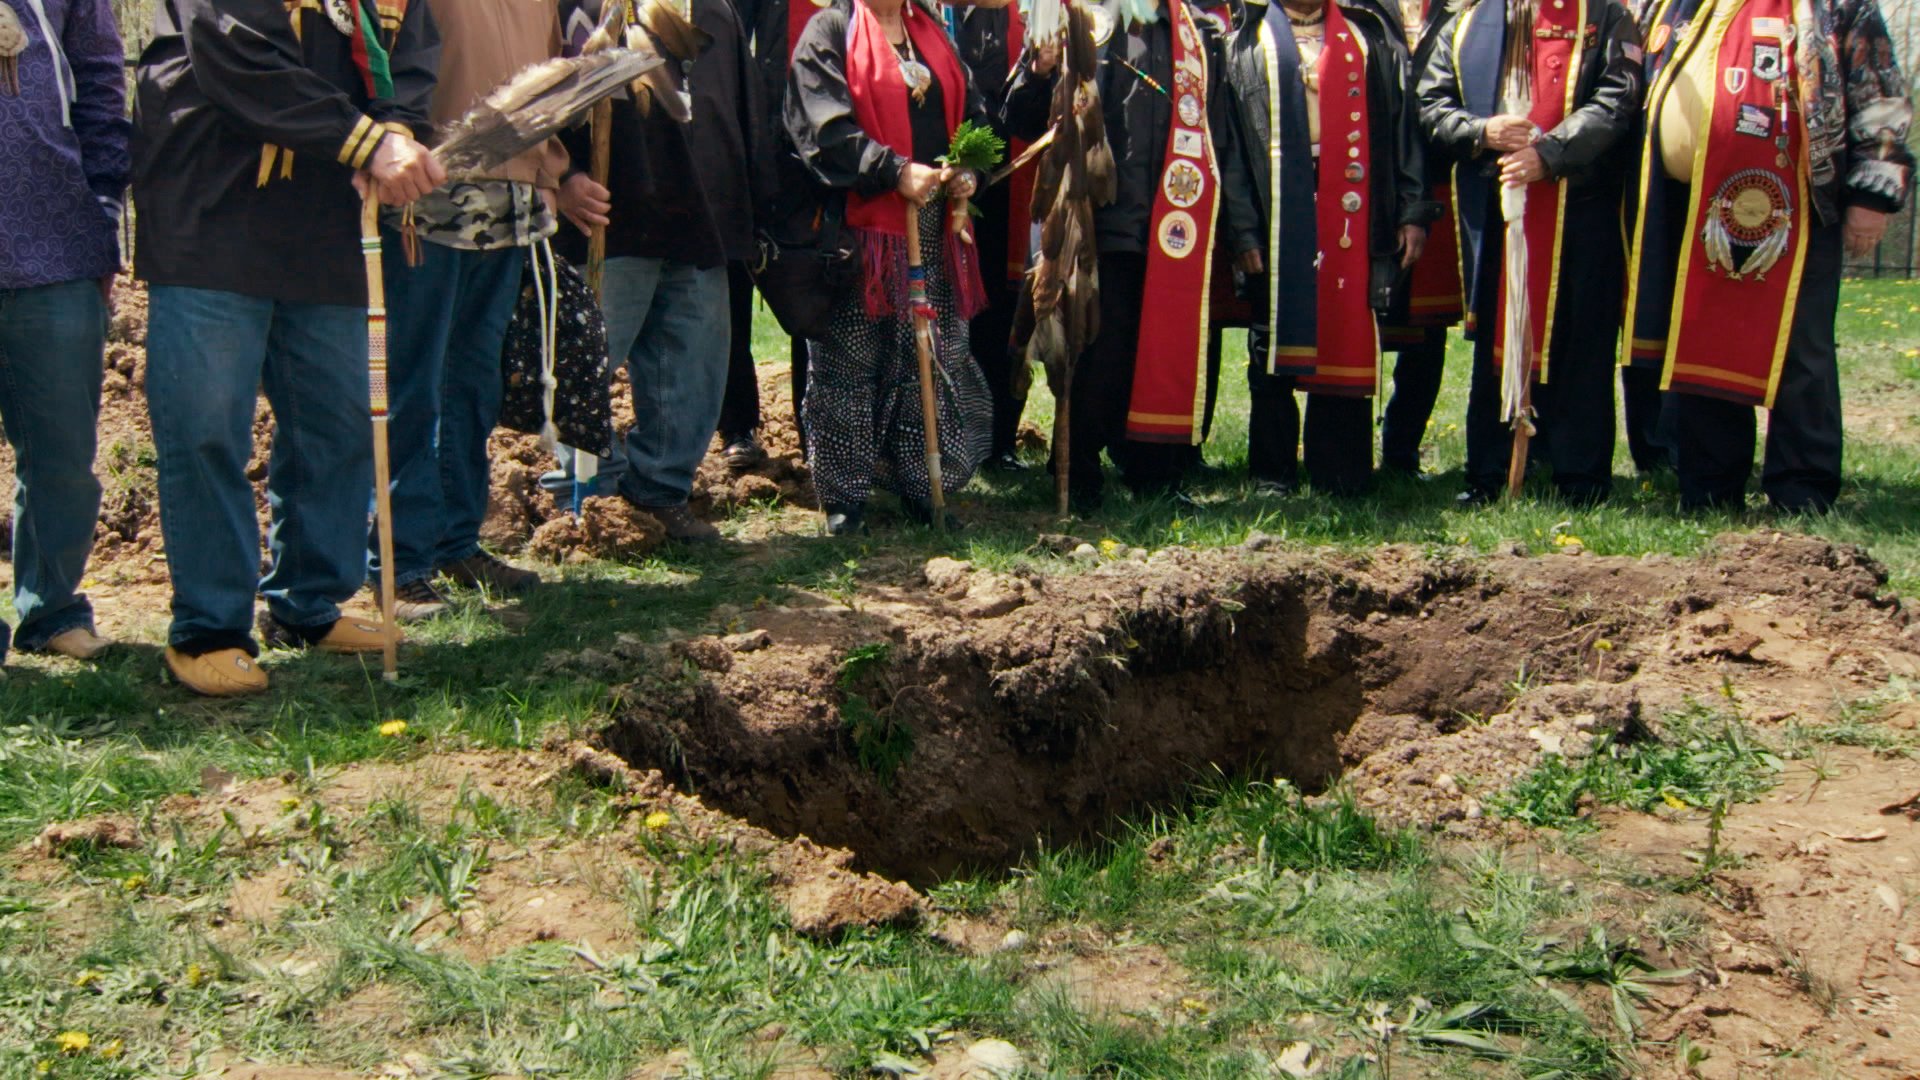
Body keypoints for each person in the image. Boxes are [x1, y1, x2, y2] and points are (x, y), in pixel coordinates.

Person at [133, 0, 442, 696]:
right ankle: (209, 628)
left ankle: (309, 603)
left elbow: (412, 55)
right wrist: (367, 141)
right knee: (207, 429)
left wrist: (398, 125)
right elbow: (236, 53)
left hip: (324, 225)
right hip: (211, 221)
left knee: (337, 423)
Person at [1621, 0, 1911, 512]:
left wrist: (1874, 193)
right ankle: (1710, 486)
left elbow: (1881, 96)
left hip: (1796, 203)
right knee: (1700, 342)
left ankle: (1802, 487)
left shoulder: (1836, 5)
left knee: (1802, 351)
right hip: (1686, 204)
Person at [1005, 0, 1255, 512]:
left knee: (1164, 348)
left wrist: (1240, 228)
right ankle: (1078, 469)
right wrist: (1042, 69)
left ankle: (1154, 472)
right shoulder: (1085, 22)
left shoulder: (1198, 36)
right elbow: (1022, 116)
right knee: (1102, 352)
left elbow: (1219, 138)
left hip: (1176, 225)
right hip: (1104, 225)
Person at [553, 0, 767, 544]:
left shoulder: (713, 11)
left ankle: (658, 490)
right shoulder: (564, 7)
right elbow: (524, 93)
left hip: (695, 209)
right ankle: (588, 499)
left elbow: (742, 110)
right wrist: (562, 174)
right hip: (606, 208)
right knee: (583, 362)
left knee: (694, 362)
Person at [376, 0, 561, 622]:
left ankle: (456, 542)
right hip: (423, 197)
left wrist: (548, 173)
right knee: (412, 377)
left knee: (473, 379)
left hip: (508, 200)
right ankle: (398, 560)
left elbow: (550, 81)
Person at [1417, 0, 1642, 506]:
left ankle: (1580, 478)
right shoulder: (1472, 19)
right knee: (1499, 340)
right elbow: (1430, 103)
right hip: (1498, 208)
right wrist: (1482, 132)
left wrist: (1551, 154)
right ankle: (1488, 474)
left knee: (1581, 343)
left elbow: (1618, 100)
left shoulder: (1606, 16)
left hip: (1582, 208)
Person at [786, 0, 995, 534]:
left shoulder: (933, 33)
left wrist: (967, 172)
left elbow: (974, 114)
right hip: (863, 232)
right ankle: (845, 498)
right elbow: (823, 129)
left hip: (933, 228)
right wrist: (893, 170)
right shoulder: (829, 32)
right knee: (851, 361)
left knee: (932, 353)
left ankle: (925, 485)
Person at [1223, 0, 1431, 497]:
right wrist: (1244, 230)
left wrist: (1411, 209)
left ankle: (1340, 470)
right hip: (1277, 204)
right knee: (1271, 339)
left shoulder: (1369, 38)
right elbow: (1230, 148)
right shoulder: (1245, 44)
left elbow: (1404, 129)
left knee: (1346, 324)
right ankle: (1273, 471)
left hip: (1354, 205)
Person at [0, 0, 128, 666]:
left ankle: (51, 611)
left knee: (61, 454)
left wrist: (101, 210)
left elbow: (102, 79)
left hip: (56, 245)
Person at [1376, 0, 1461, 478]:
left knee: (1427, 333)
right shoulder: (1358, 9)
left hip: (1438, 182)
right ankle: (1341, 448)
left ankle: (1401, 450)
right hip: (1367, 182)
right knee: (1356, 321)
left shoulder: (1461, 12)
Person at [957, 0, 1035, 472]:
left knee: (1004, 318)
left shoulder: (1031, 12)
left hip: (1016, 186)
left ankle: (997, 440)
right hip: (948, 180)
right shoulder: (942, 14)